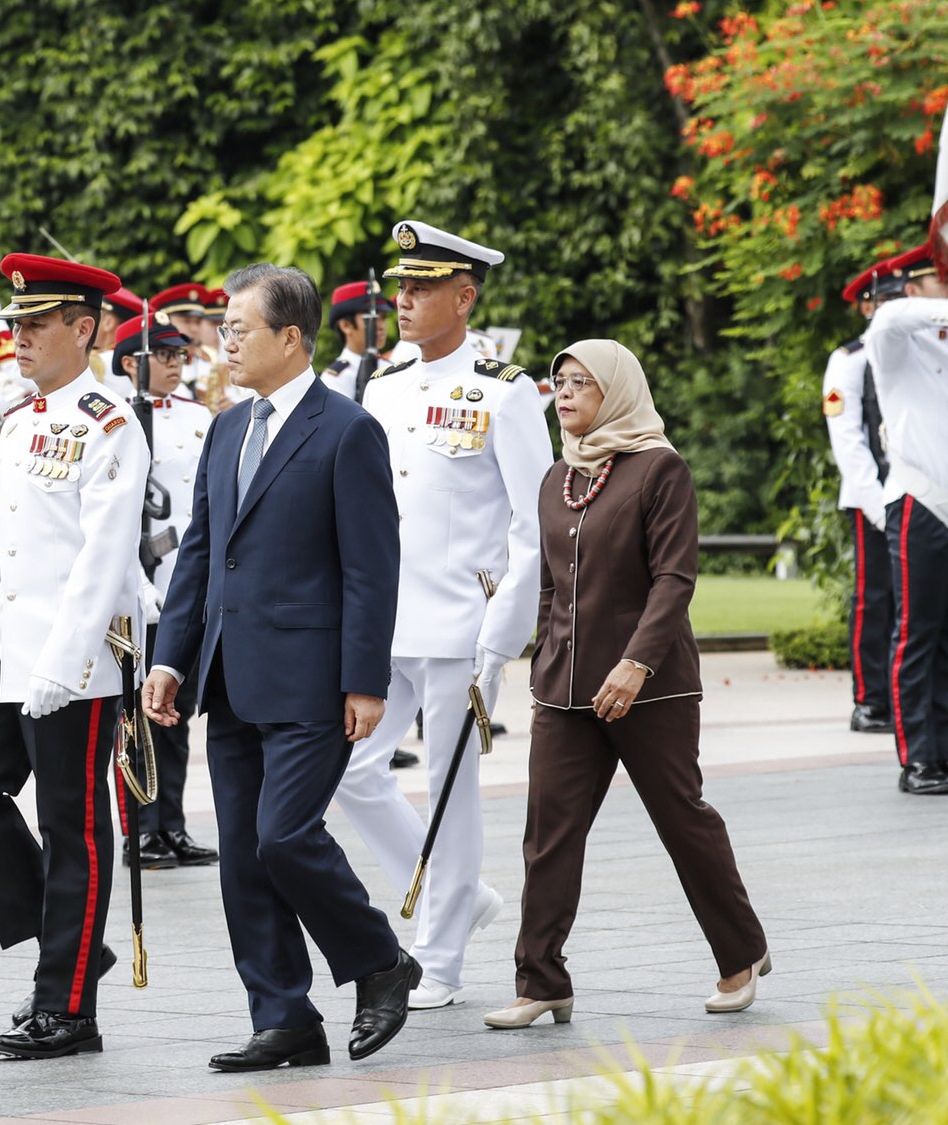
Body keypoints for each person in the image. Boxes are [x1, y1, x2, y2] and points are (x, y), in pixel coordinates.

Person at [143, 262, 419, 1072]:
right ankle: (284, 1015)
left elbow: (372, 566)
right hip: (229, 675)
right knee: (243, 853)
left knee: (284, 835)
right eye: (223, 331)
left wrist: (365, 679)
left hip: (312, 678)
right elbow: (200, 553)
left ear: (289, 337)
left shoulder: (345, 429)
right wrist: (171, 659)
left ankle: (379, 961)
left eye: (238, 331)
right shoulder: (227, 426)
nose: (222, 344)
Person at [487, 339, 770, 1028]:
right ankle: (542, 979)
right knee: (548, 833)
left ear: (616, 388)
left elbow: (675, 577)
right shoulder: (557, 476)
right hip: (566, 691)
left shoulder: (658, 468)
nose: (567, 392)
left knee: (682, 819)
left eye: (582, 381)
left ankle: (740, 953)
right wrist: (545, 667)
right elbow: (553, 587)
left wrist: (636, 662)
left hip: (653, 686)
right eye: (559, 381)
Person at [0, 253, 145, 1060]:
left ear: (82, 329)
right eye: (14, 323)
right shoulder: (20, 419)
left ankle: (68, 1006)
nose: (15, 337)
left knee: (73, 830)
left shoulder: (111, 424)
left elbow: (102, 557)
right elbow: (14, 547)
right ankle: (74, 942)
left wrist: (69, 661)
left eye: (35, 323)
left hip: (71, 663)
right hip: (4, 652)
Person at [331, 222, 550, 1011]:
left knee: (449, 787)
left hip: (461, 617)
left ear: (465, 296)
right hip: (382, 616)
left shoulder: (505, 388)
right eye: (402, 286)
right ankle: (455, 895)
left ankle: (443, 956)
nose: (405, 299)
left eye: (423, 288)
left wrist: (503, 632)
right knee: (349, 771)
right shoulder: (383, 385)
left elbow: (534, 522)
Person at [862, 242, 948, 795]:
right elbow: (887, 317)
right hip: (922, 501)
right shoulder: (898, 342)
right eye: (942, 279)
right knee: (917, 635)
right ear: (915, 289)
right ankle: (918, 758)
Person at [105, 313, 218, 871]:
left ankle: (170, 824)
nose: (177, 363)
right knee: (137, 715)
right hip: (141, 590)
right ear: (131, 362)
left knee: (176, 711)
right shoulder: (116, 416)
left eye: (180, 355)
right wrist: (138, 579)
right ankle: (139, 829)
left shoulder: (200, 416)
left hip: (186, 586)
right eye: (165, 355)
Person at [823, 259, 903, 735]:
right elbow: (848, 438)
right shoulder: (849, 360)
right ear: (867, 306)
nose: (895, 308)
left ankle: (902, 694)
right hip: (872, 499)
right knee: (875, 599)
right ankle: (870, 699)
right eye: (887, 300)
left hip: (913, 494)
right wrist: (879, 507)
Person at [318, 281, 394, 401]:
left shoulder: (389, 367)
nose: (381, 326)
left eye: (383, 318)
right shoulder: (336, 378)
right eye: (371, 320)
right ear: (346, 325)